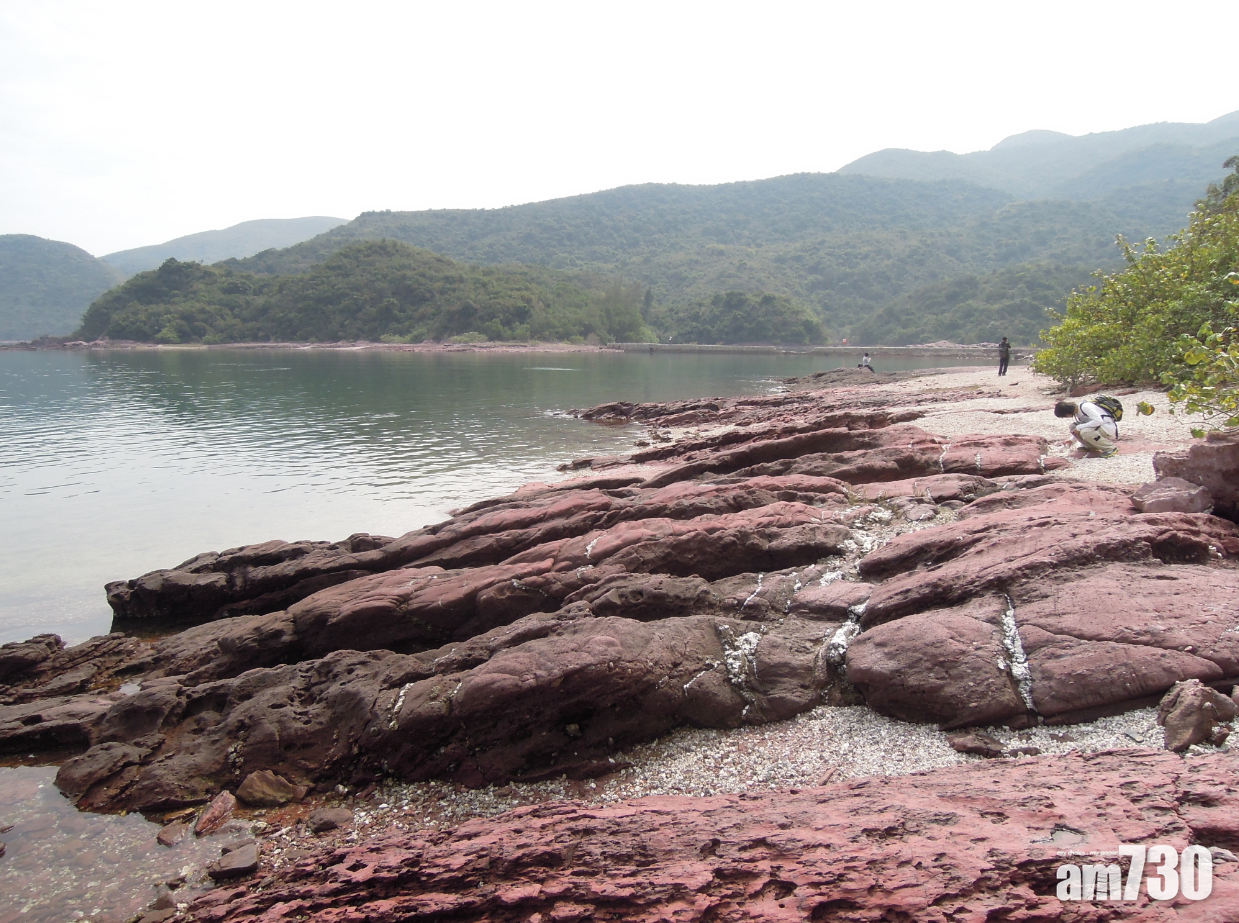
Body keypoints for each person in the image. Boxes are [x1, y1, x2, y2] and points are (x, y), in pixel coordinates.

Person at [1054, 396, 1122, 457]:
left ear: (1066, 412)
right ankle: (1092, 447)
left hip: (1107, 427)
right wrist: (1071, 440)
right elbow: (1081, 426)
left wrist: (1079, 427)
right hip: (1099, 427)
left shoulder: (1085, 407)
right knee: (1073, 426)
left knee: (1085, 432)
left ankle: (1110, 448)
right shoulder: (1077, 411)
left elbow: (1099, 421)